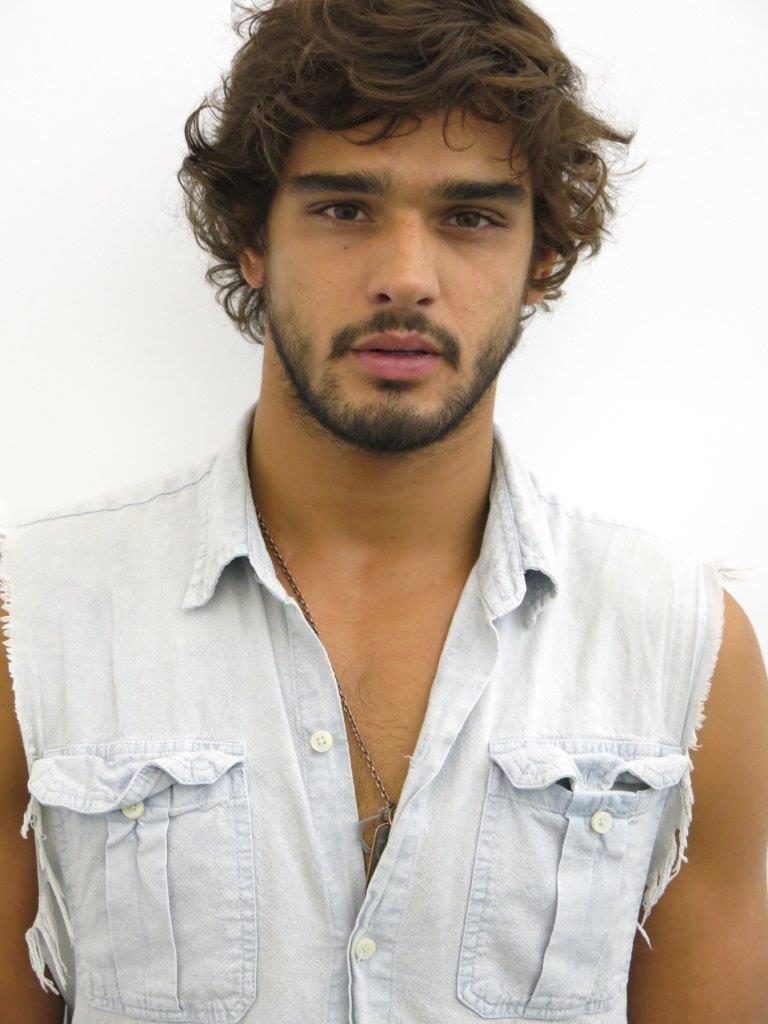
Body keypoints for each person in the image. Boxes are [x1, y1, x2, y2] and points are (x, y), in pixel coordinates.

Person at [1, 0, 767, 1021]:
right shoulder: (38, 626)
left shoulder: (679, 646)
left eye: (471, 216)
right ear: (253, 239)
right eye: (343, 209)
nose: (406, 278)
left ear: (541, 257)